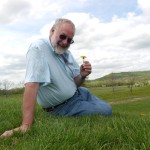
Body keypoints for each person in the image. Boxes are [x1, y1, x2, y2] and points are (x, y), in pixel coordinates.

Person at [0, 18, 112, 138]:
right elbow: (32, 85)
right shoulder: (38, 48)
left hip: (80, 93)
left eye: (70, 40)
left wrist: (82, 76)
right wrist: (25, 125)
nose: (65, 42)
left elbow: (75, 82)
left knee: (100, 104)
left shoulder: (66, 52)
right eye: (62, 36)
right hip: (64, 106)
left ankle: (88, 104)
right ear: (52, 30)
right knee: (106, 109)